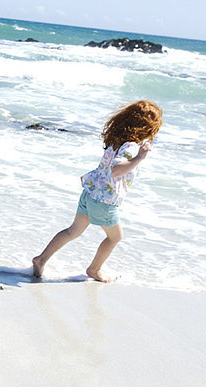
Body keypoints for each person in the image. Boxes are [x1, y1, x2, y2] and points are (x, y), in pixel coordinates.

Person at [32, 100, 163, 283]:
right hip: (105, 201)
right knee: (115, 237)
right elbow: (117, 170)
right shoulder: (131, 146)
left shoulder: (117, 140)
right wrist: (139, 158)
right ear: (148, 127)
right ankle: (95, 269)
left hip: (90, 193)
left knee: (72, 231)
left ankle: (41, 259)